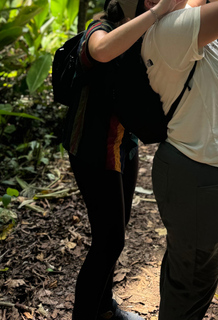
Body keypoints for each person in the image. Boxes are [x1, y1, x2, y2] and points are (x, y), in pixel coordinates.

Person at [140, 0, 218, 319]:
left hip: (213, 166)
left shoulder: (180, 24)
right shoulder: (169, 30)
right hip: (201, 172)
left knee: (191, 268)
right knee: (194, 280)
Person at [61, 0, 177, 319]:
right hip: (91, 148)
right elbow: (100, 51)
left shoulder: (145, 32)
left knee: (115, 234)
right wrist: (156, 13)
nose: (154, 3)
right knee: (109, 241)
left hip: (123, 144)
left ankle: (105, 309)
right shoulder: (100, 28)